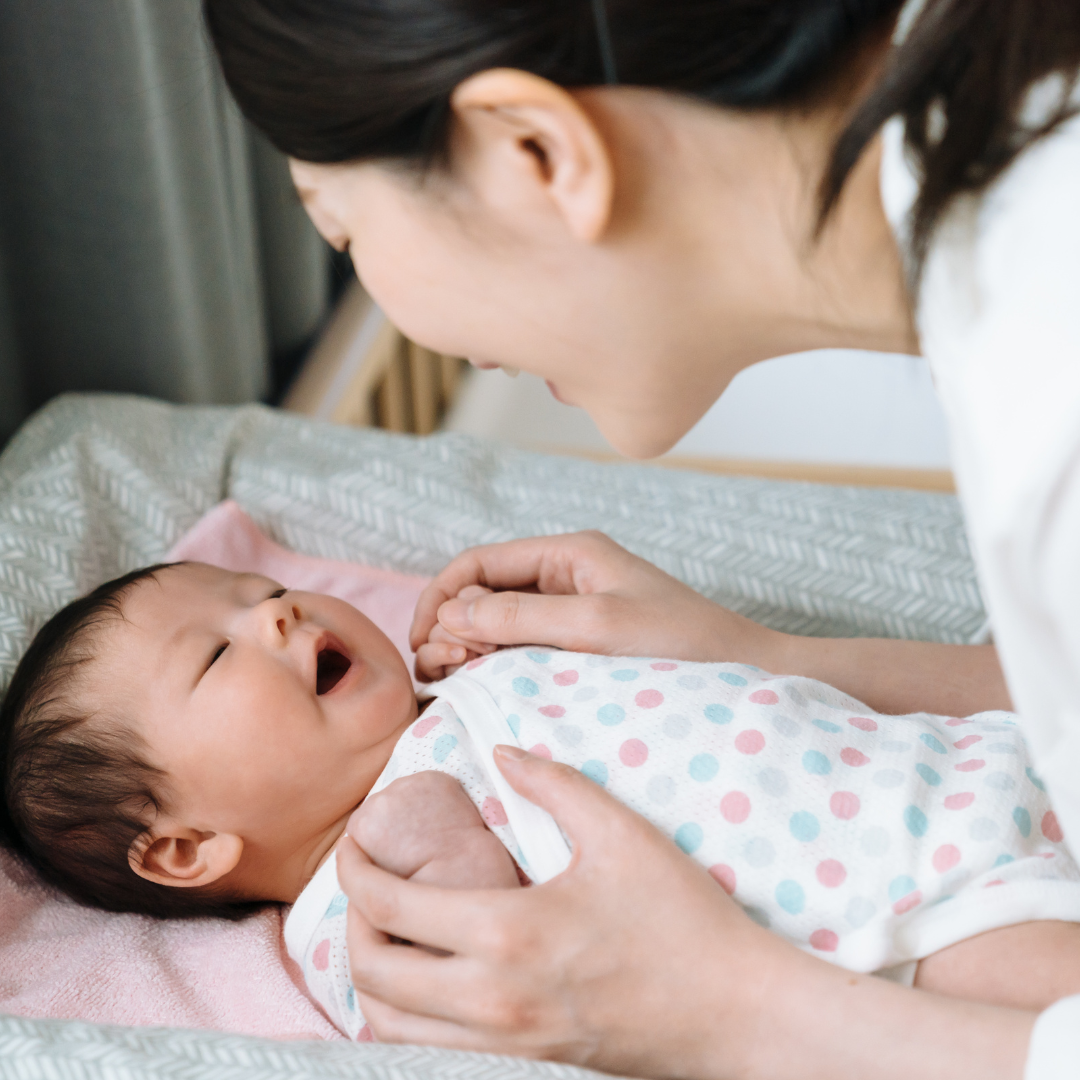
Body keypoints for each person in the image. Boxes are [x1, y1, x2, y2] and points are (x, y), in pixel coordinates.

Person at [201, 0, 1080, 1074]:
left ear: (536, 151)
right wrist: (770, 662)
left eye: (343, 229)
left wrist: (731, 1011)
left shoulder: (1051, 394)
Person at [3, 559, 1080, 1047]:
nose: (279, 613)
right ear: (186, 848)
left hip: (958, 759)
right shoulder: (355, 911)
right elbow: (504, 1002)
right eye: (215, 656)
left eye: (262, 591)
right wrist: (435, 845)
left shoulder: (464, 692)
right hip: (907, 924)